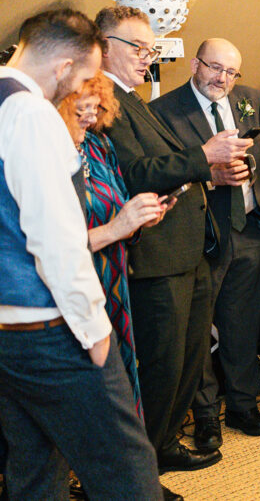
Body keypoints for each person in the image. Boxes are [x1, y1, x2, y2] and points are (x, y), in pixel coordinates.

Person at [0, 9, 162, 500]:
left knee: (33, 467)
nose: (85, 88)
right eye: (87, 75)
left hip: (6, 331)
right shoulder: (34, 116)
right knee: (128, 472)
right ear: (63, 67)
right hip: (51, 327)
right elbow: (56, 236)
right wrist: (94, 331)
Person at [99, 5, 247, 482]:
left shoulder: (135, 100)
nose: (147, 58)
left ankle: (162, 445)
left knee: (187, 359)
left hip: (188, 249)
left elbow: (167, 166)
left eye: (150, 49)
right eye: (138, 48)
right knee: (159, 367)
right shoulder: (105, 105)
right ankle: (138, 470)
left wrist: (207, 169)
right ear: (104, 46)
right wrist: (204, 156)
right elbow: (136, 174)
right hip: (156, 254)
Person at [151, 38, 260, 450]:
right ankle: (205, 415)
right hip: (202, 236)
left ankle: (242, 404)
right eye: (214, 68)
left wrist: (258, 195)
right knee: (200, 331)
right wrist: (210, 177)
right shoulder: (165, 112)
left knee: (242, 324)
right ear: (194, 64)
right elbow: (162, 177)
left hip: (249, 231)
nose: (222, 78)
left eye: (231, 71)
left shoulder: (251, 99)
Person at [57, 75, 169, 419]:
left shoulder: (98, 145)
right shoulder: (44, 159)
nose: (91, 117)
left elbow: (118, 208)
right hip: (70, 290)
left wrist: (139, 219)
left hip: (112, 282)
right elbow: (52, 246)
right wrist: (117, 227)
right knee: (79, 388)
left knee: (118, 379)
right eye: (82, 109)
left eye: (96, 107)